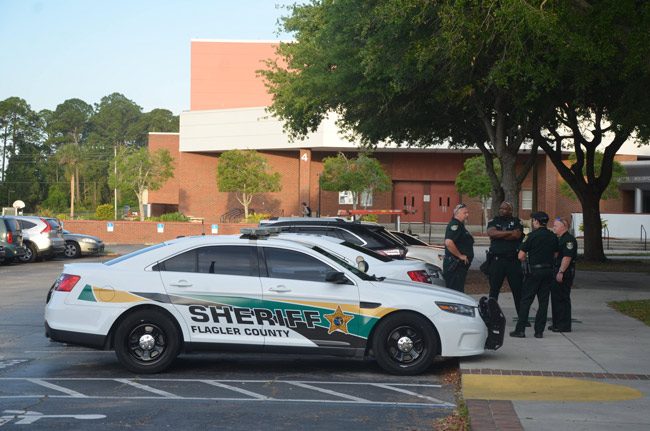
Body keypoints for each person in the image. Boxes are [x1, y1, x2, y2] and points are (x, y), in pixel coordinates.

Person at [510, 211, 558, 339]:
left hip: (534, 272)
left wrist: (527, 261)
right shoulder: (553, 236)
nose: (532, 222)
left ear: (536, 221)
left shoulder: (531, 236)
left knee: (526, 300)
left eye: (533, 220)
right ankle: (539, 331)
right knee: (543, 302)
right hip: (548, 271)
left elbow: (520, 255)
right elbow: (555, 254)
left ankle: (520, 330)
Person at [486, 201, 524, 317]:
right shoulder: (494, 221)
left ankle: (522, 318)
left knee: (518, 291)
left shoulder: (517, 222)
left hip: (513, 261)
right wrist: (509, 233)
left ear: (510, 211)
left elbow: (517, 235)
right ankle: (491, 316)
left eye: (505, 209)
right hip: (497, 261)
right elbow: (491, 233)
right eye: (501, 208)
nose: (502, 210)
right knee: (494, 290)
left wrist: (500, 234)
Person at [549, 216, 577, 332]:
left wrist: (561, 271)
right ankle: (557, 323)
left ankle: (564, 325)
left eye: (556, 225)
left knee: (562, 298)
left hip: (564, 272)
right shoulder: (559, 239)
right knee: (556, 298)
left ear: (563, 226)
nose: (553, 227)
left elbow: (567, 257)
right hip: (556, 270)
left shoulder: (568, 240)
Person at [443, 203, 474, 293]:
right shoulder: (455, 225)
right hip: (454, 265)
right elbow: (448, 242)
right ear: (457, 213)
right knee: (455, 292)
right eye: (465, 213)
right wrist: (460, 255)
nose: (467, 215)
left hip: (459, 266)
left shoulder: (460, 225)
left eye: (467, 213)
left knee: (458, 290)